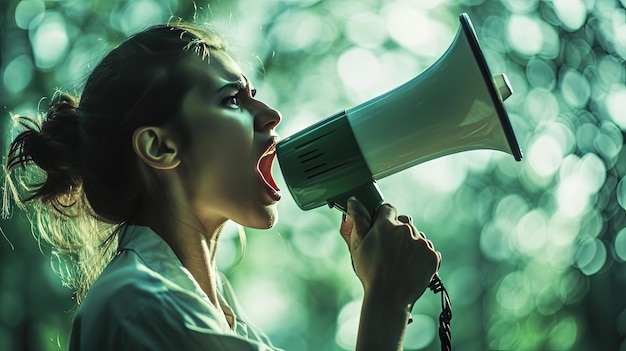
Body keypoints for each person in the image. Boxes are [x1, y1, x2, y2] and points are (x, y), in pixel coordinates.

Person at [3, 21, 441, 351]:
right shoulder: (136, 308)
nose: (271, 114)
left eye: (254, 94)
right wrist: (385, 302)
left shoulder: (220, 317)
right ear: (160, 146)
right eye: (232, 99)